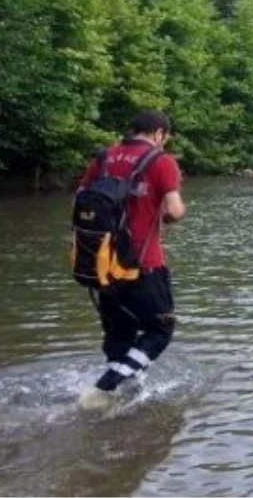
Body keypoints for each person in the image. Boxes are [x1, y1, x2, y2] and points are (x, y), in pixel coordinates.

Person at [75, 111, 186, 410]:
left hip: (101, 264)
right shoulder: (162, 161)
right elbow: (174, 210)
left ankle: (124, 398)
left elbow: (80, 201)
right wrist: (161, 216)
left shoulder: (103, 158)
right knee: (160, 330)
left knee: (119, 333)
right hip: (143, 263)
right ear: (159, 133)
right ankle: (105, 386)